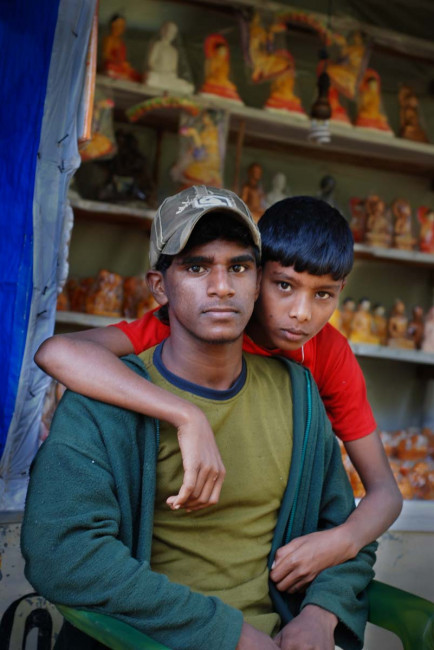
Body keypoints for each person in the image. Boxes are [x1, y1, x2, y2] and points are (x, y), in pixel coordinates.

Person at [23, 186, 376, 649]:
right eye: (195, 266)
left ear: (258, 282)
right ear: (158, 285)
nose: (222, 286)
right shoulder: (104, 398)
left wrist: (320, 613)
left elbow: (347, 531)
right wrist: (230, 636)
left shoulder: (298, 395)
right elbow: (63, 554)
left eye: (239, 267)